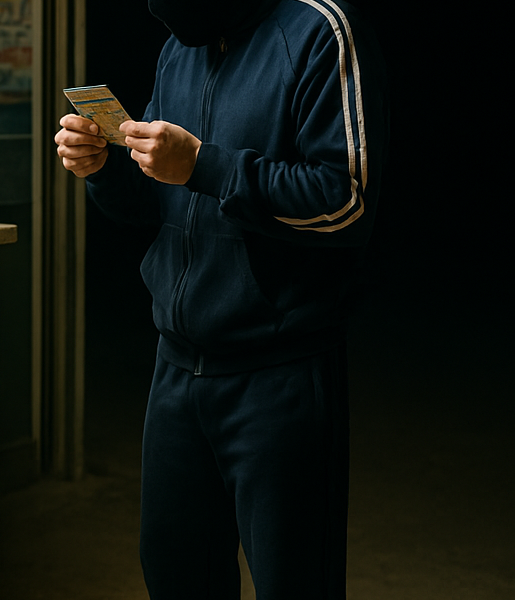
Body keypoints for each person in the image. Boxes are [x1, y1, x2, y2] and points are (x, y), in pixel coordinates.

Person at [55, 0, 386, 598]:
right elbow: (153, 201)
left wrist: (207, 165)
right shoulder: (179, 45)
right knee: (176, 576)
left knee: (295, 581)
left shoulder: (319, 30)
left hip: (279, 373)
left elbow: (345, 200)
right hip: (176, 373)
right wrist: (103, 168)